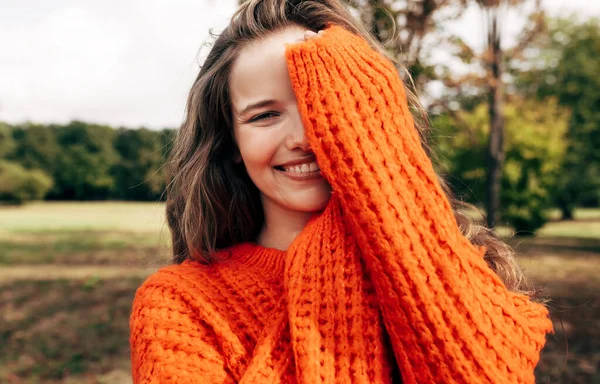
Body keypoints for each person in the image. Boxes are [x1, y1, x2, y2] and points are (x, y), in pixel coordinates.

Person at [129, 0, 553, 383]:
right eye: (265, 115)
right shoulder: (180, 302)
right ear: (232, 144)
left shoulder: (466, 267)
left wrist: (381, 182)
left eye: (326, 103)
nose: (305, 136)